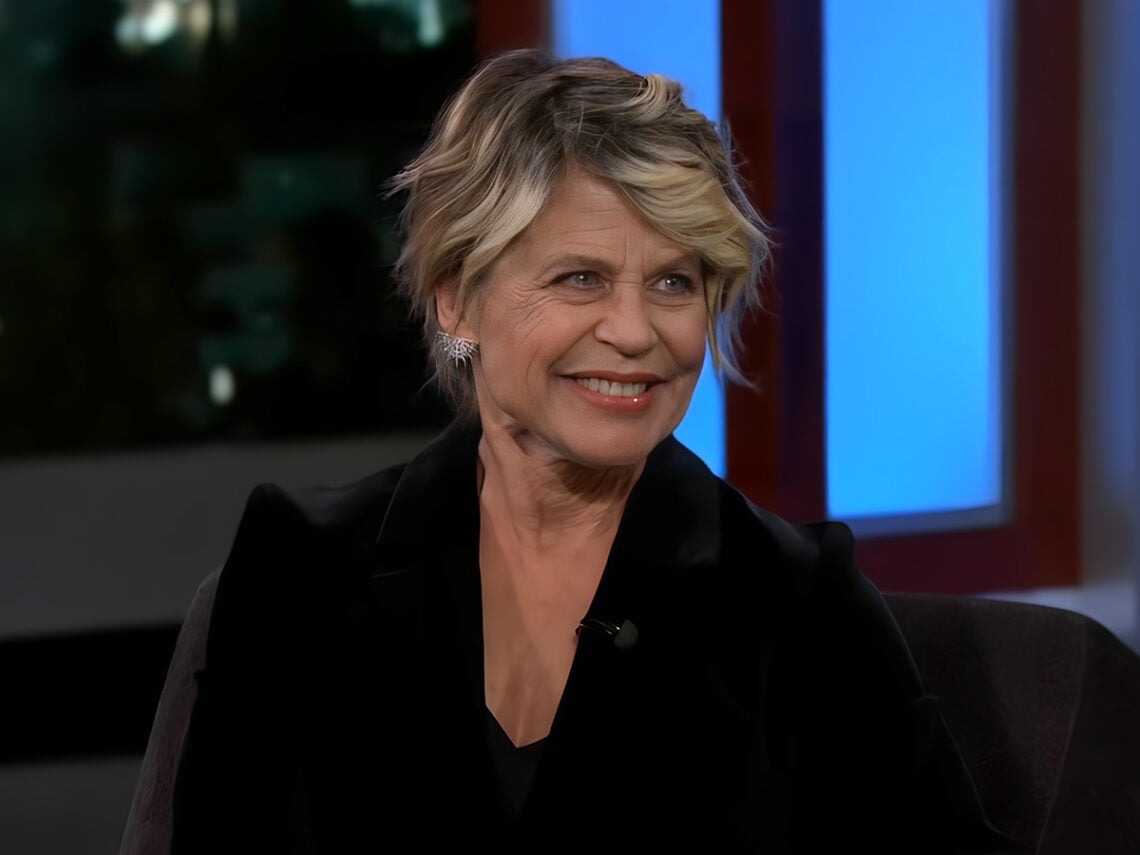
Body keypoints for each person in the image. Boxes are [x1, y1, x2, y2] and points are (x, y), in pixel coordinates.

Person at [123, 50, 1016, 852]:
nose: (634, 330)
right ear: (457, 299)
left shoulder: (797, 599)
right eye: (580, 278)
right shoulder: (301, 567)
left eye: (673, 281)